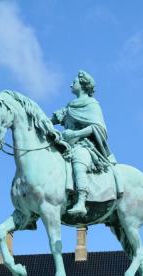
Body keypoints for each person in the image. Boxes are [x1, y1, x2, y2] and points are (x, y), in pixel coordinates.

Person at [51, 70, 116, 217]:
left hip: (84, 145)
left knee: (78, 160)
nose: (71, 84)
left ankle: (81, 201)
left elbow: (98, 128)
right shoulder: (69, 106)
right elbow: (52, 119)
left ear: (83, 85)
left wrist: (76, 134)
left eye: (74, 82)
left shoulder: (92, 105)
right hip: (65, 144)